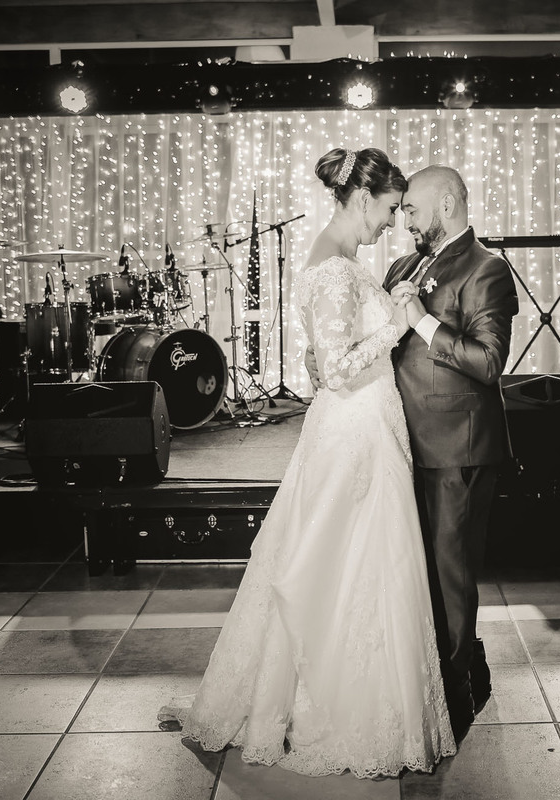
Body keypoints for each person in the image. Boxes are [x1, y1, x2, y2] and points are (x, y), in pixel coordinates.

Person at [159, 147, 456, 779]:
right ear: (360, 200)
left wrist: (392, 299)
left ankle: (372, 700)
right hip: (353, 434)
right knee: (341, 566)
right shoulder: (329, 267)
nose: (391, 221)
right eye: (388, 207)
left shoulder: (344, 261)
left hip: (372, 432)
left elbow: (349, 344)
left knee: (366, 568)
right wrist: (402, 325)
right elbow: (334, 370)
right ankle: (334, 710)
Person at [309, 164, 519, 740]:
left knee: (451, 580)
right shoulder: (402, 265)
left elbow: (488, 363)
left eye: (414, 210)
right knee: (413, 578)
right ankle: (423, 694)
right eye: (399, 210)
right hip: (398, 444)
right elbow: (368, 337)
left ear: (447, 203)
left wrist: (423, 322)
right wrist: (327, 357)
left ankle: (455, 702)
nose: (405, 220)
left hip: (457, 448)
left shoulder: (488, 269)